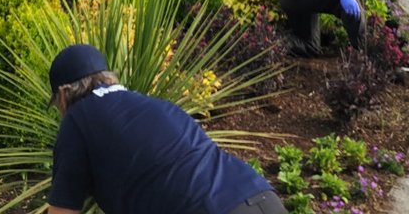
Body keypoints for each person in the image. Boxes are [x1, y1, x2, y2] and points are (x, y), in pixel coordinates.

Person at [45, 43, 287, 214]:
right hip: (262, 197)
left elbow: (62, 211)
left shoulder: (77, 119)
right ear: (109, 78)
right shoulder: (153, 105)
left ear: (64, 97)